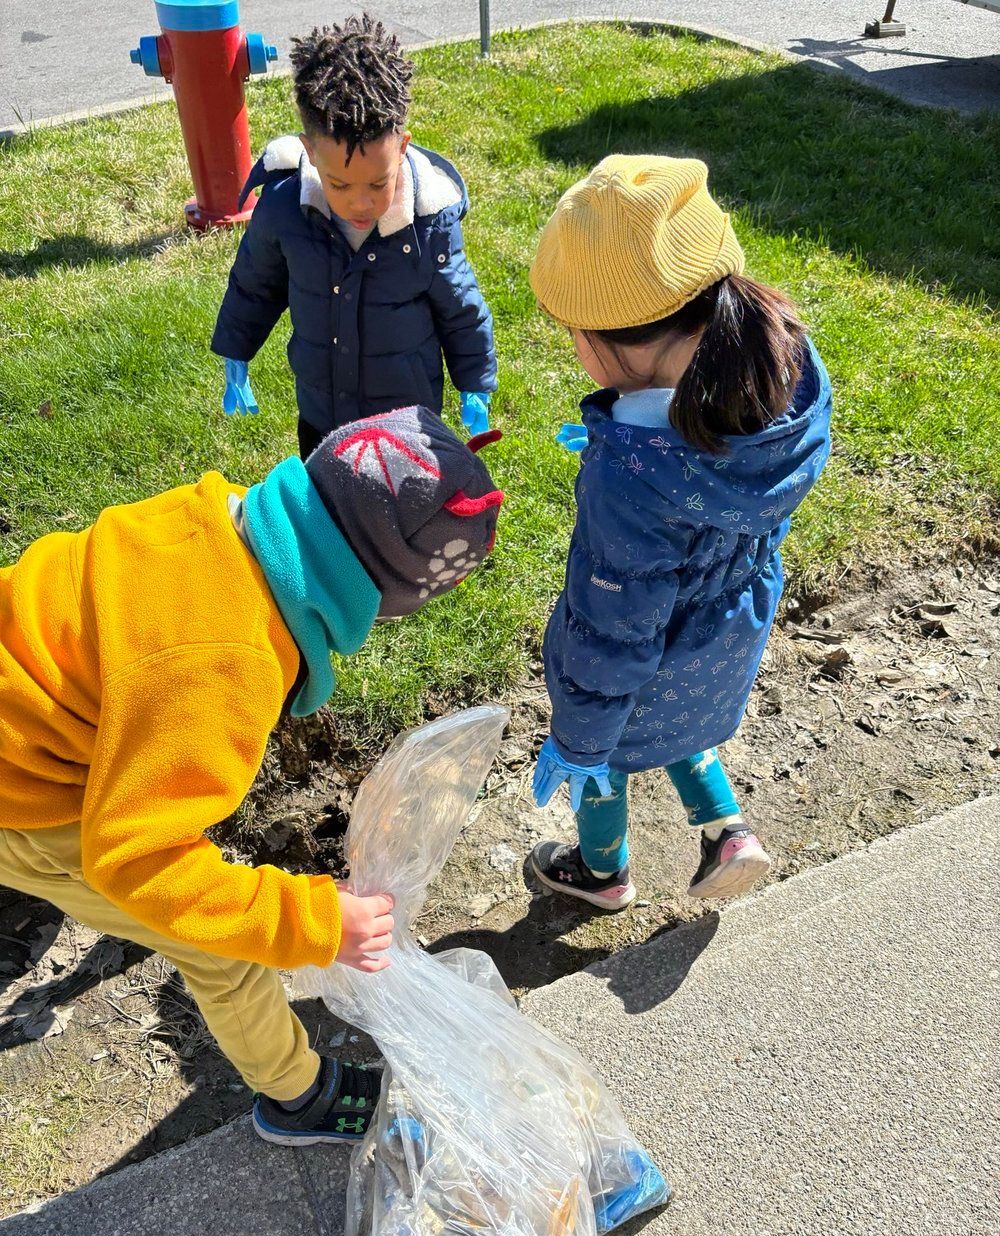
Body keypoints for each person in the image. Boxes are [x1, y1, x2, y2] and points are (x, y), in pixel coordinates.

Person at [0, 407, 504, 1145]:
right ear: (378, 599)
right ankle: (300, 1098)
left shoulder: (210, 516)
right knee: (217, 946)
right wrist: (314, 922)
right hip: (27, 795)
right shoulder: (226, 669)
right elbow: (135, 857)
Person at [526, 155, 832, 907]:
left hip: (644, 661)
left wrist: (580, 735)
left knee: (611, 763)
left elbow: (612, 628)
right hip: (725, 637)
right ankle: (728, 830)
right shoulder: (782, 371)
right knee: (688, 728)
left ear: (612, 341)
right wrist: (622, 436)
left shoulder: (630, 483)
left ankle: (600, 872)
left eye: (573, 331)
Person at [211, 14, 498, 460]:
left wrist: (475, 385)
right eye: (340, 185)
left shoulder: (429, 224)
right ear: (308, 152)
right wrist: (237, 353)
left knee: (400, 521)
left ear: (402, 147)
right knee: (325, 517)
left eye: (378, 184)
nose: (360, 204)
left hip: (406, 426)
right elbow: (255, 285)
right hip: (321, 416)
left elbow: (462, 311)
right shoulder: (286, 209)